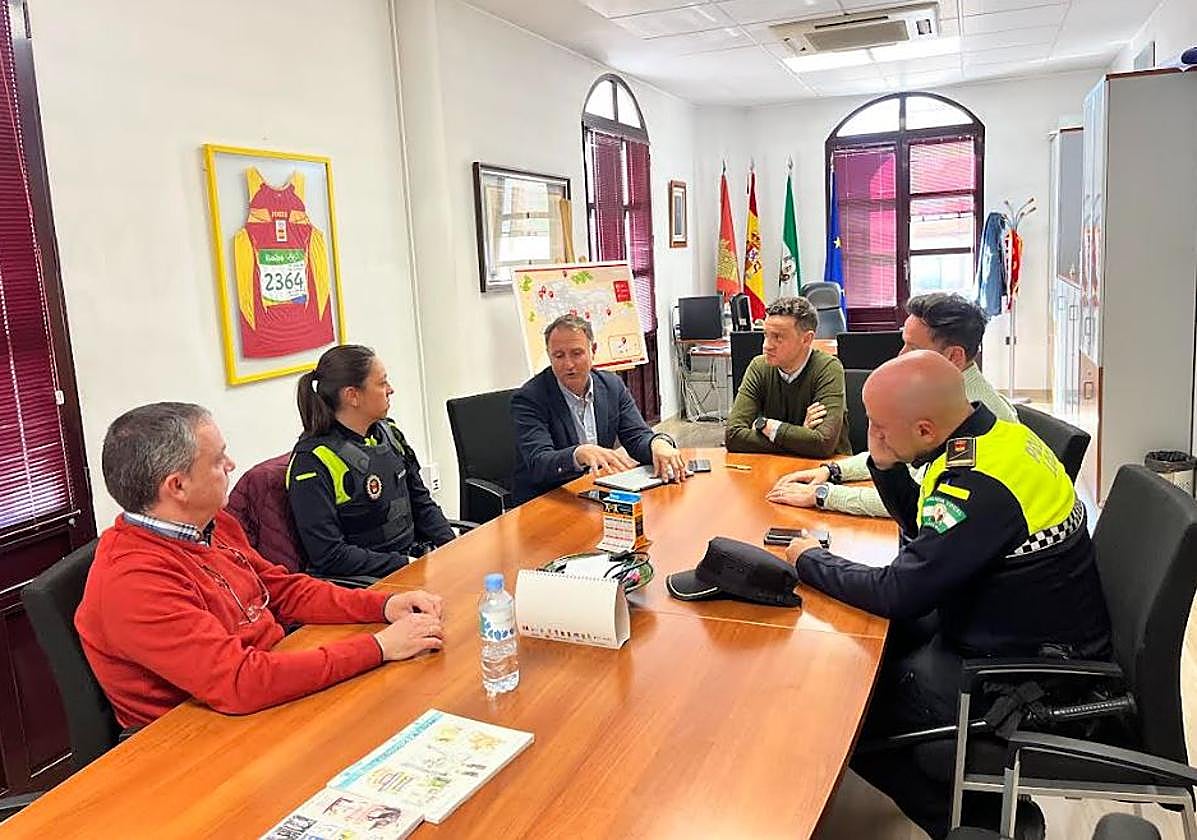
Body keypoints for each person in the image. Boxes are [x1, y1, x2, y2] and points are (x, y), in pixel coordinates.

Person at [784, 351, 1111, 839]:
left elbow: (898, 593)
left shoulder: (978, 486)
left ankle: (981, 823)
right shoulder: (994, 438)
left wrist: (808, 558)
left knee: (847, 710)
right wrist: (884, 461)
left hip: (1028, 669)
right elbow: (928, 528)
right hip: (1020, 621)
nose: (873, 435)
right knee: (867, 653)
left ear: (923, 430)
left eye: (879, 427)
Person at [75, 402, 445, 730]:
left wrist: (382, 604)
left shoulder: (211, 526)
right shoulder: (134, 580)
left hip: (268, 690)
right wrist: (378, 647)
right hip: (202, 738)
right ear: (177, 487)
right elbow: (239, 682)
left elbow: (282, 591)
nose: (231, 465)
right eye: (219, 460)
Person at [768, 292, 1017, 516]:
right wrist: (833, 472)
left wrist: (824, 495)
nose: (900, 354)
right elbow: (899, 457)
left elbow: (926, 501)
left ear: (954, 356)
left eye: (913, 347)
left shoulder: (975, 421)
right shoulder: (940, 394)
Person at [287, 345, 454, 579]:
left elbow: (422, 504)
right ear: (352, 395)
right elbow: (329, 555)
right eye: (382, 383)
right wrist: (405, 563)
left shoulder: (390, 435)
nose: (391, 390)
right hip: (368, 585)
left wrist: (453, 547)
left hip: (411, 566)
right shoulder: (312, 463)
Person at [512, 314, 687, 505]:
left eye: (577, 353)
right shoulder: (530, 398)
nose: (568, 364)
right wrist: (578, 454)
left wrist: (658, 444)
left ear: (593, 350)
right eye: (559, 355)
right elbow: (539, 463)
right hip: (547, 499)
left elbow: (636, 437)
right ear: (549, 355)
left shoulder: (611, 385)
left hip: (595, 490)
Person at [725, 296, 851, 458]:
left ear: (806, 339)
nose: (766, 346)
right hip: (774, 468)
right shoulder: (759, 366)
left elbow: (823, 444)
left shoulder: (828, 368)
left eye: (778, 337)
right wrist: (801, 436)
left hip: (826, 470)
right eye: (766, 335)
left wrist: (769, 427)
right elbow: (733, 436)